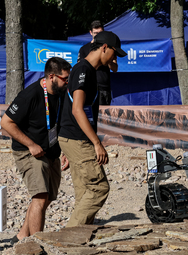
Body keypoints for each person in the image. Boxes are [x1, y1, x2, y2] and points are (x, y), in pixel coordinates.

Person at [58, 31, 127, 227]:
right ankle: (69, 237)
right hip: (77, 138)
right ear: (104, 47)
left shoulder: (88, 70)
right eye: (114, 53)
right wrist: (96, 143)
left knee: (84, 192)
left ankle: (80, 236)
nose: (114, 58)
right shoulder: (83, 70)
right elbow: (78, 110)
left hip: (73, 138)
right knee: (99, 189)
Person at [1, 57, 71, 245]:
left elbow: (60, 124)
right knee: (40, 197)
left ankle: (23, 236)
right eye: (64, 78)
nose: (67, 82)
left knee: (47, 198)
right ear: (51, 76)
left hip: (50, 151)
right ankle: (36, 246)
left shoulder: (61, 93)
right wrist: (31, 145)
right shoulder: (30, 95)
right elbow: (6, 123)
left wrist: (65, 150)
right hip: (28, 151)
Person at [77, 20, 118, 105]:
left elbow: (115, 69)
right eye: (96, 33)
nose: (98, 35)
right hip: (89, 87)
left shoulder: (109, 48)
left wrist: (108, 59)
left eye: (100, 33)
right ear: (90, 32)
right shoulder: (84, 49)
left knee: (104, 117)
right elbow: (80, 68)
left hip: (104, 88)